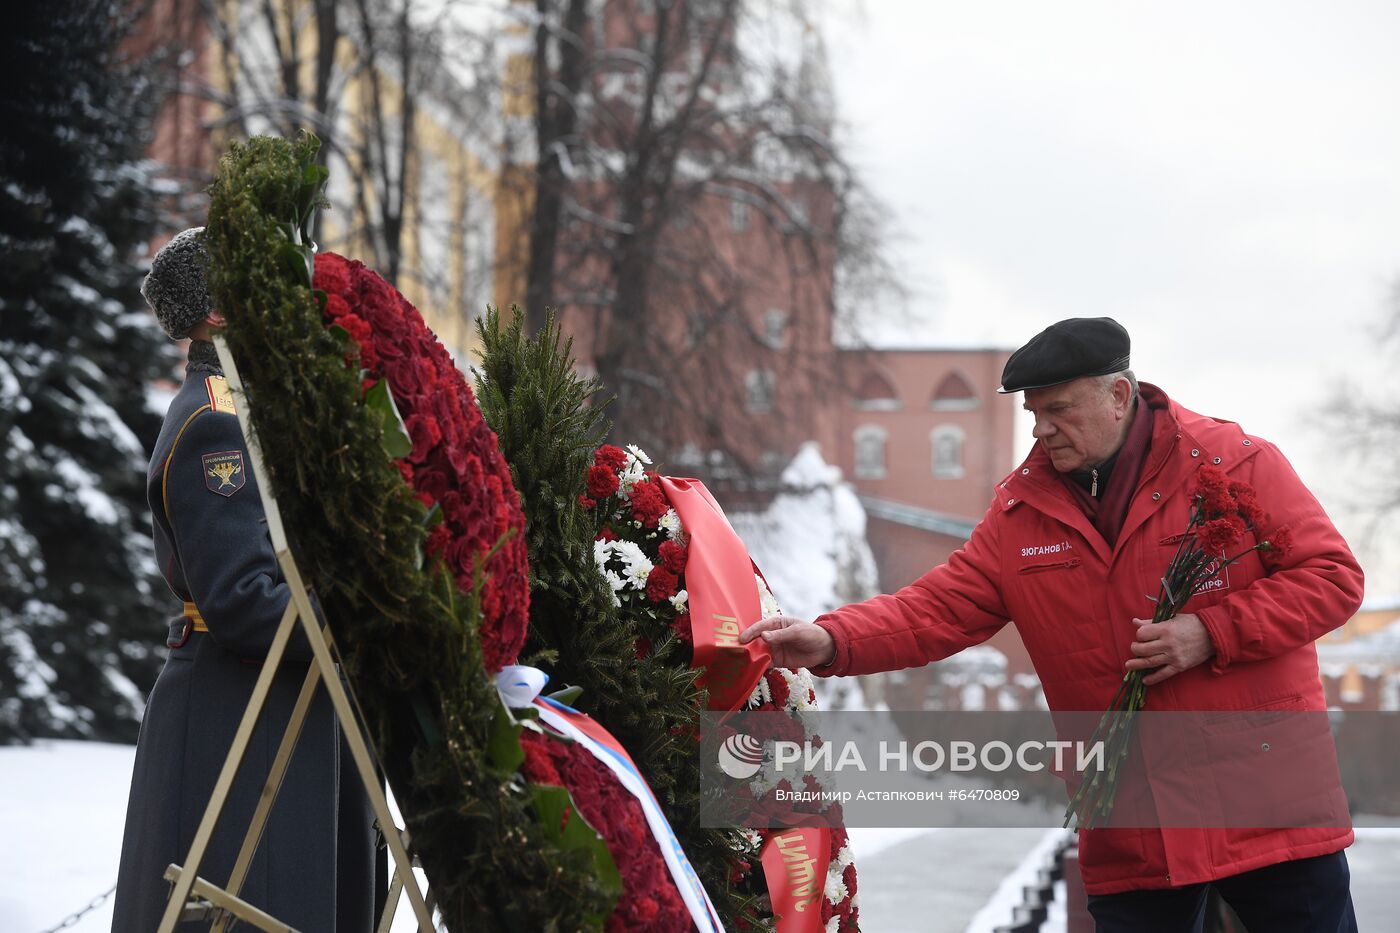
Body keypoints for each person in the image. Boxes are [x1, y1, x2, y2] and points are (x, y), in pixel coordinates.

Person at [741, 317, 1363, 933]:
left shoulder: (1234, 464)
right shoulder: (1023, 510)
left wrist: (1212, 632)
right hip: (1131, 817)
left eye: (1059, 409)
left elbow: (1333, 576)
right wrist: (832, 638)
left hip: (1265, 802)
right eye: (1033, 414)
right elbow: (939, 607)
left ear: (1118, 395)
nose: (1042, 430)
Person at [112, 228, 375, 932]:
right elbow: (244, 599)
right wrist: (366, 616)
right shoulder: (214, 422)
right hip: (236, 718)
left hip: (278, 714)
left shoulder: (254, 411)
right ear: (219, 313)